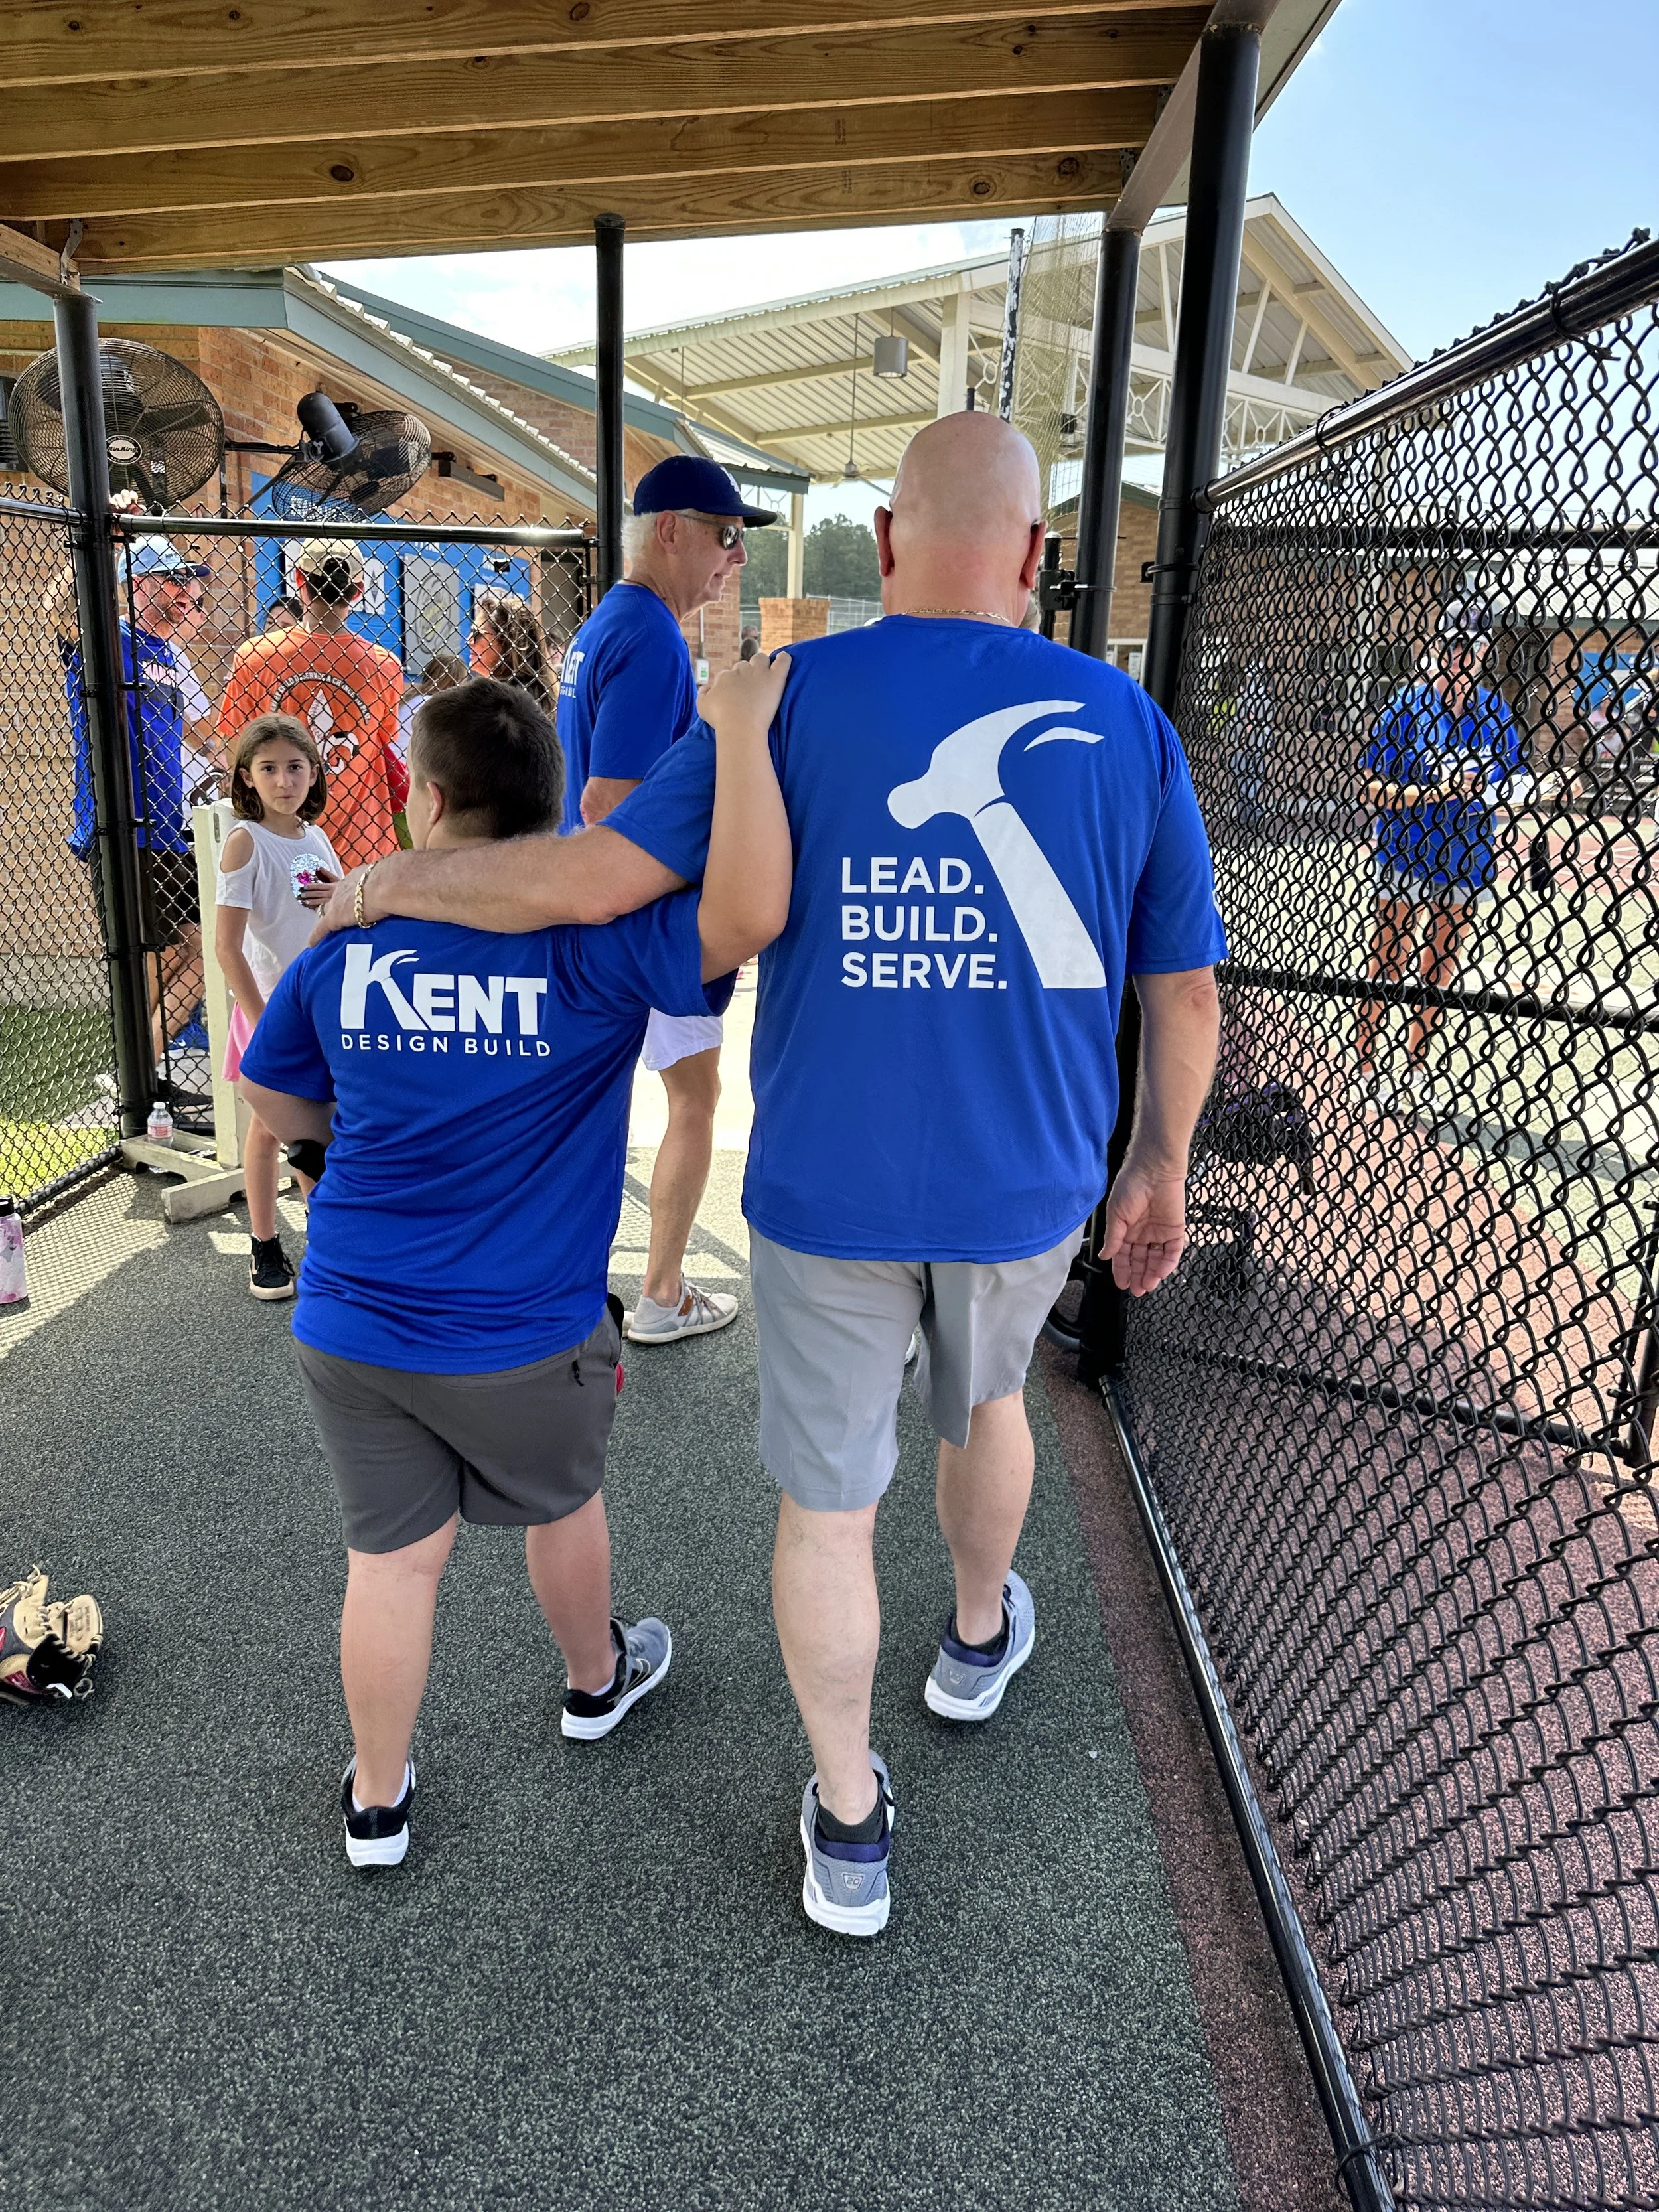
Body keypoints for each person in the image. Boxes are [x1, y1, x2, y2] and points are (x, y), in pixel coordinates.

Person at [306, 412, 1226, 1935]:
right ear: (1037, 557)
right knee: (990, 1407)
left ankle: (852, 1821)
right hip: (1024, 1188)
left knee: (829, 1512)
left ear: (880, 543)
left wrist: (395, 882)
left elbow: (591, 875)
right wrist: (1160, 1161)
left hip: (821, 1196)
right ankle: (978, 1634)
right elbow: (1182, 992)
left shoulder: (780, 695)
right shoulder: (1122, 719)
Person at [240, 662, 791, 1868]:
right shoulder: (595, 951)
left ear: (427, 806)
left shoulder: (348, 943)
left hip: (353, 1324)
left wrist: (352, 1130)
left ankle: (376, 1801)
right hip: (525, 1333)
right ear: (547, 817)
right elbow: (742, 913)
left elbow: (276, 1095)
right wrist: (742, 737)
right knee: (564, 1500)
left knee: (392, 1559)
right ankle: (595, 1681)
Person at [560, 456, 776, 1347]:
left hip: (601, 919)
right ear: (671, 532)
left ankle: (582, 1294)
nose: (735, 559)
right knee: (694, 1098)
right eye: (726, 537)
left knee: (603, 1108)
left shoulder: (615, 623)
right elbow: (609, 802)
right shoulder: (649, 635)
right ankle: (659, 1293)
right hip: (635, 927)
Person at [1356, 598, 1530, 1113]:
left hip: (1468, 855)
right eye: (1452, 646)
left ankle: (1415, 1065)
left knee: (1441, 965)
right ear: (1435, 650)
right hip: (1406, 853)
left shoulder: (1495, 712)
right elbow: (1371, 787)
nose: (1461, 657)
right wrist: (1432, 794)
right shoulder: (1406, 707)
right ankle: (1366, 1064)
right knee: (1389, 957)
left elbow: (1515, 778)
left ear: (1483, 655)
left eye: (1472, 648)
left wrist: (1522, 790)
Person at [58, 538, 218, 1063]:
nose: (187, 591)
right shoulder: (110, 640)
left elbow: (201, 734)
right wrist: (99, 541)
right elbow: (58, 610)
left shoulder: (170, 655)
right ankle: (133, 1073)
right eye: (172, 580)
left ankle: (139, 1068)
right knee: (153, 958)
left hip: (172, 831)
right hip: (126, 828)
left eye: (188, 582)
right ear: (138, 585)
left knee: (200, 952)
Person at [213, 713, 340, 1302]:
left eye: (295, 767)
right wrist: (263, 1022)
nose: (284, 779)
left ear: (313, 772)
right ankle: (265, 1243)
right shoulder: (246, 841)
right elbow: (226, 946)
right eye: (270, 768)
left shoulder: (314, 837)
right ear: (247, 776)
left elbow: (328, 920)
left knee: (314, 1123)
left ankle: (327, 1238)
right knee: (269, 1128)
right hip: (270, 1014)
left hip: (315, 1008)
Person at [216, 539, 407, 872]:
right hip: (364, 848)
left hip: (280, 839)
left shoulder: (255, 656)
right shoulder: (384, 666)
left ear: (298, 579)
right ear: (359, 590)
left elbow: (234, 741)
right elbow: (382, 738)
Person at [468, 590, 557, 713]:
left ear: (507, 642)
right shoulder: (538, 694)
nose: (470, 641)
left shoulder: (503, 702)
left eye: (478, 634)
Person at [396, 650, 467, 767]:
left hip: (392, 763)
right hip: (403, 768)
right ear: (457, 682)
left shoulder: (414, 697)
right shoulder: (435, 704)